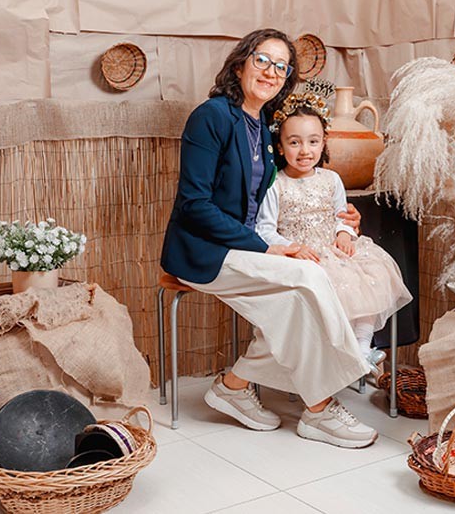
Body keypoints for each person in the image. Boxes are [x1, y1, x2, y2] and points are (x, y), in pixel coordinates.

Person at [160, 28, 378, 448]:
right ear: (240, 64)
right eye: (262, 60)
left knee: (293, 302)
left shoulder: (261, 124)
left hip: (245, 246)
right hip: (205, 252)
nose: (271, 71)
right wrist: (267, 247)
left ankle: (236, 385)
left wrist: (341, 218)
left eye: (281, 66)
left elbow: (281, 195)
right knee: (310, 278)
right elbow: (193, 205)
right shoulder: (211, 116)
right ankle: (330, 393)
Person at [256, 93, 413, 377]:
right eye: (294, 142)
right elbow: (264, 229)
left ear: (323, 143)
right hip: (305, 254)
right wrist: (291, 247)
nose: (305, 150)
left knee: (371, 277)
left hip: (335, 249)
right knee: (332, 287)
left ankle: (362, 347)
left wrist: (344, 233)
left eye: (313, 141)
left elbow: (343, 215)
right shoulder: (275, 185)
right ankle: (344, 352)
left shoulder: (331, 179)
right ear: (280, 146)